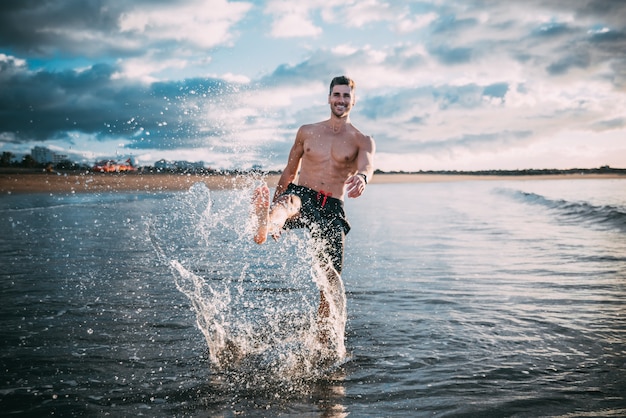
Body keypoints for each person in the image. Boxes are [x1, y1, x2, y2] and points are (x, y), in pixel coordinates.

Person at [252, 75, 375, 345]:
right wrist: (275, 201)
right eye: (337, 95)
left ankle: (321, 337)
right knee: (287, 205)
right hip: (303, 194)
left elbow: (367, 166)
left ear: (353, 100)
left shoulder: (361, 140)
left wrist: (362, 179)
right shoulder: (307, 131)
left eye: (346, 96)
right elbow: (290, 170)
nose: (341, 100)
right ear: (329, 98)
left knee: (329, 278)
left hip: (332, 207)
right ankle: (268, 222)